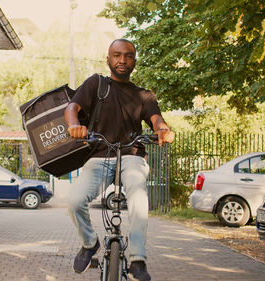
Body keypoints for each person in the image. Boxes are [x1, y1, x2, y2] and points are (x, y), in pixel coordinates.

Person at [64, 38, 174, 281]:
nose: (122, 60)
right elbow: (72, 108)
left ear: (134, 61)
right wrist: (74, 125)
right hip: (98, 157)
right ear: (108, 59)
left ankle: (137, 259)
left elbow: (156, 118)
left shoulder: (144, 95)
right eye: (116, 55)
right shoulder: (96, 84)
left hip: (132, 156)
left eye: (127, 56)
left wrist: (163, 129)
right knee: (73, 200)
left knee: (137, 193)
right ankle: (89, 242)